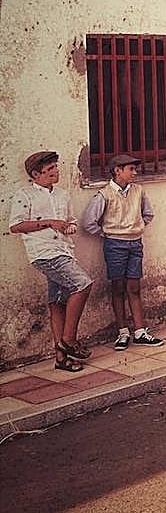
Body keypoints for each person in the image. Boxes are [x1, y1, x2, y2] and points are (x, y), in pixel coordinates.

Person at [9, 151, 93, 371]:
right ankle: (68, 340)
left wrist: (69, 227)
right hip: (44, 253)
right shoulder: (25, 195)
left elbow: (70, 221)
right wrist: (49, 222)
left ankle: (61, 358)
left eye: (56, 167)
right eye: (50, 169)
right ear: (35, 174)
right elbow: (16, 226)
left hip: (64, 250)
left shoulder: (62, 194)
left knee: (57, 301)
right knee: (82, 284)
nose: (55, 171)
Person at [79, 153, 163, 350]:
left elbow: (148, 214)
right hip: (114, 245)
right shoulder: (105, 194)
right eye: (130, 169)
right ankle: (122, 332)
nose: (135, 173)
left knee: (134, 287)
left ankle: (140, 331)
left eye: (135, 169)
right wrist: (108, 233)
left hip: (135, 244)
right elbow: (89, 222)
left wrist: (134, 227)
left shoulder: (138, 191)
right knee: (117, 287)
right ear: (118, 171)